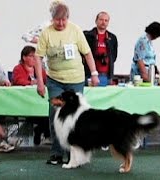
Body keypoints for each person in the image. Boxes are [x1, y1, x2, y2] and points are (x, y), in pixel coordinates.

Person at [34, 1, 99, 165]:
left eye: (64, 20)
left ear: (68, 18)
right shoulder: (46, 34)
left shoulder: (75, 30)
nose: (61, 23)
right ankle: (56, 153)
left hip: (76, 80)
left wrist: (94, 73)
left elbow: (88, 53)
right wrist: (40, 83)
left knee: (76, 117)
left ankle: (75, 153)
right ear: (52, 19)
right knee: (55, 115)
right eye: (57, 20)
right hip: (55, 80)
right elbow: (38, 58)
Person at [12, 45, 50, 146]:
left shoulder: (40, 70)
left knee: (49, 112)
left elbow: (46, 81)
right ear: (24, 57)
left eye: (35, 56)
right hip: (24, 102)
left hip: (40, 102)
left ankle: (44, 134)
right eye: (31, 56)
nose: (34, 59)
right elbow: (18, 80)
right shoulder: (18, 68)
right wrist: (31, 83)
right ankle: (41, 132)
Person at [83, 11, 118, 86]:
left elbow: (114, 56)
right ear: (96, 21)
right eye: (101, 20)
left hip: (106, 74)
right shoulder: (87, 36)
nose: (103, 22)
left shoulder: (112, 38)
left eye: (106, 20)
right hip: (90, 73)